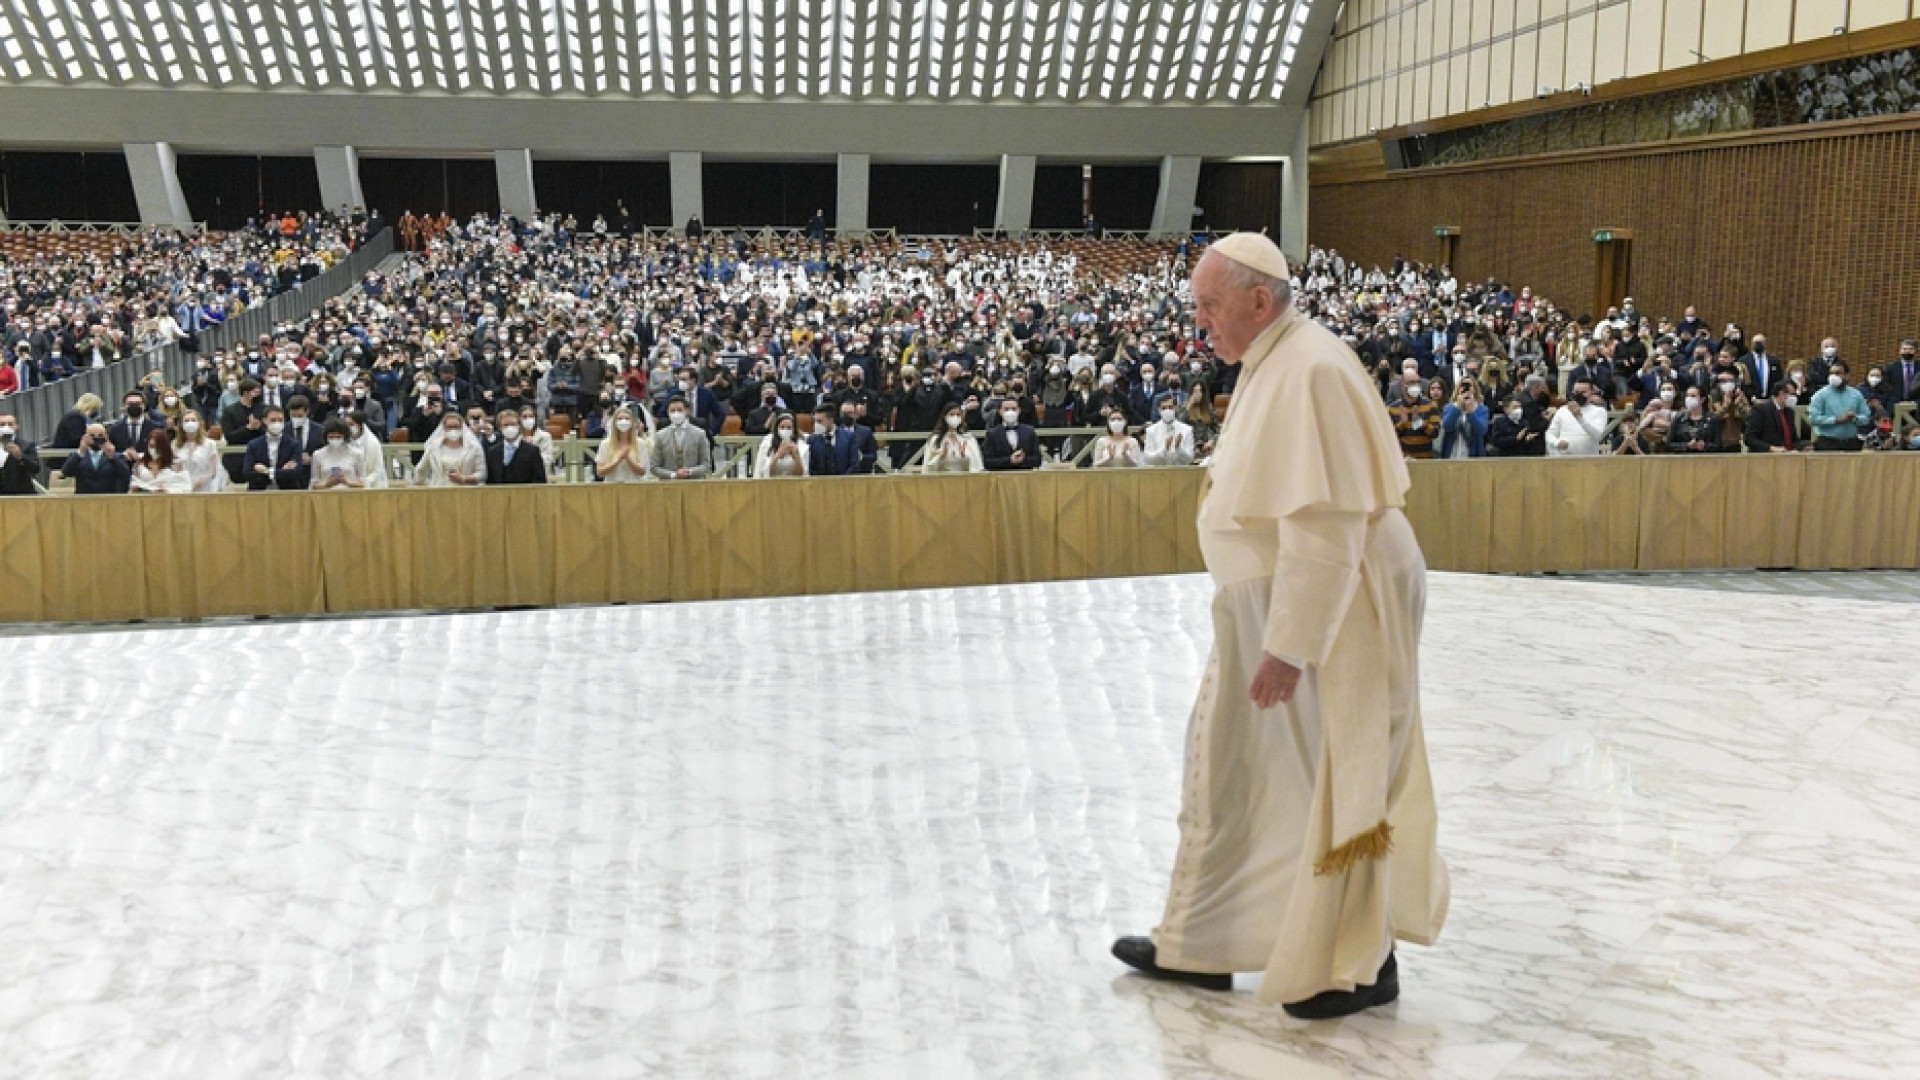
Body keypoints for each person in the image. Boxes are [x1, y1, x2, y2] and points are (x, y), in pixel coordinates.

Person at [1112, 233, 1444, 1016]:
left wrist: (1290, 648)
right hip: (1275, 602)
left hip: (1333, 606)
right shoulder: (1275, 359)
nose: (1201, 324)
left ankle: (1359, 961)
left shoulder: (1314, 368)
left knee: (1341, 773)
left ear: (1259, 302)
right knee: (1240, 772)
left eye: (1210, 306)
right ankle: (1207, 943)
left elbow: (1325, 522)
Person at [1808, 361, 1869, 452]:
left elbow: (1866, 417)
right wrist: (1836, 420)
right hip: (1827, 443)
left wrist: (1855, 418)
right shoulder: (1820, 395)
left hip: (1851, 443)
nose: (1833, 376)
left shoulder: (1856, 394)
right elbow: (1813, 419)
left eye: (1837, 373)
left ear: (1847, 376)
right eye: (1831, 373)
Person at [649, 396, 713, 480]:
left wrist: (689, 472)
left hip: (695, 485)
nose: (676, 413)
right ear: (668, 412)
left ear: (687, 411)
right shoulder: (660, 435)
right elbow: (654, 467)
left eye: (679, 410)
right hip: (668, 487)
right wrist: (672, 475)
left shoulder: (700, 434)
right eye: (672, 410)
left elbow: (706, 465)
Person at [415, 413, 485, 487]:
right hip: (438, 491)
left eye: (456, 427)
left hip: (466, 492)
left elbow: (482, 474)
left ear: (462, 427)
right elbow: (420, 469)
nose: (453, 430)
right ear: (443, 428)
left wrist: (463, 478)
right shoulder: (433, 447)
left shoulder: (474, 447)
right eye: (449, 427)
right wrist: (422, 485)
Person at [60, 424, 132, 495]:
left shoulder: (117, 457)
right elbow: (65, 472)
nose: (96, 439)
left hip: (108, 499)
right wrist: (81, 451)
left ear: (106, 437)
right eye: (92, 436)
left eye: (100, 436)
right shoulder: (78, 456)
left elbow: (125, 475)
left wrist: (112, 457)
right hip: (83, 500)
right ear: (85, 437)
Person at [485, 409, 547, 485]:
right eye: (505, 425)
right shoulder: (493, 452)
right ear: (500, 428)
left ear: (519, 426)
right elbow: (489, 482)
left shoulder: (532, 451)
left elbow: (540, 480)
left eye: (513, 424)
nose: (509, 428)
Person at [1546, 381, 1606, 456]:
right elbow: (1549, 434)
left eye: (1583, 392)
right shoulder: (1562, 410)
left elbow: (1597, 435)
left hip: (1589, 460)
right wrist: (1557, 442)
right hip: (1564, 459)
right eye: (1576, 392)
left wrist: (1579, 417)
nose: (1579, 395)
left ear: (1591, 393)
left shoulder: (1599, 411)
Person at [921, 403, 984, 473]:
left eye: (958, 415)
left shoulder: (969, 439)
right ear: (945, 417)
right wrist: (940, 457)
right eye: (952, 414)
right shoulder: (935, 439)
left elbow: (976, 467)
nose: (955, 417)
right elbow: (927, 469)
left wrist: (964, 457)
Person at [173, 410, 227, 493]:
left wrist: (197, 482)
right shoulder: (175, 444)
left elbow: (213, 471)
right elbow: (175, 469)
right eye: (186, 421)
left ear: (199, 423)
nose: (190, 423)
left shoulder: (210, 444)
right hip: (182, 489)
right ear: (181, 425)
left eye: (193, 420)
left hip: (205, 489)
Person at [595, 406, 653, 482]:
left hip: (634, 487)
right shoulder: (605, 444)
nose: (623, 421)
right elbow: (599, 472)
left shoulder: (640, 443)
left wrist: (628, 458)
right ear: (614, 422)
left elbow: (642, 471)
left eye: (627, 418)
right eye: (620, 419)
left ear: (632, 422)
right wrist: (617, 460)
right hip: (612, 488)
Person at [309, 419, 368, 490]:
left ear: (345, 436)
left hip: (351, 495)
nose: (335, 440)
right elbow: (313, 484)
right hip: (325, 496)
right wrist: (326, 484)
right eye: (331, 437)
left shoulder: (357, 454)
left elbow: (364, 484)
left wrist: (347, 482)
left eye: (338, 437)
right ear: (326, 437)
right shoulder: (317, 454)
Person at [982, 399, 1040, 470]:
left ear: (1019, 410)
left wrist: (1023, 460)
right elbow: (987, 462)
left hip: (1025, 477)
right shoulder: (992, 434)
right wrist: (1009, 460)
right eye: (1006, 409)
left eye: (1014, 409)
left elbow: (1038, 460)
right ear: (1000, 412)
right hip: (1000, 477)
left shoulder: (1029, 431)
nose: (1010, 412)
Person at [1744, 382, 1802, 453]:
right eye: (1791, 394)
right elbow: (1749, 439)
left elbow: (1793, 439)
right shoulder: (1760, 410)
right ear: (1781, 394)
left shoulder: (1790, 413)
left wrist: (1802, 446)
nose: (1793, 397)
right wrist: (1771, 448)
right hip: (1765, 457)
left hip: (1788, 457)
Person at [129, 429, 192, 494]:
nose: (154, 450)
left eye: (157, 447)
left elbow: (186, 487)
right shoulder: (140, 464)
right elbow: (133, 485)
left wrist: (168, 491)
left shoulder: (176, 464)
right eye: (151, 446)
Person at [1438, 380, 1488, 459]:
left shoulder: (1482, 409)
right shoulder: (1449, 407)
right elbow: (1447, 426)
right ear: (1458, 389)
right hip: (1452, 453)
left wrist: (1471, 412)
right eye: (1463, 385)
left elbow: (1481, 430)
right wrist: (1457, 408)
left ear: (1475, 389)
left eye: (1470, 385)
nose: (1466, 389)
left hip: (1474, 454)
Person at [753, 412, 810, 478]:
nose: (785, 430)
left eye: (789, 428)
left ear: (794, 429)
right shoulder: (767, 442)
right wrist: (778, 455)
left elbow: (801, 474)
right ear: (777, 428)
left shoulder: (801, 445)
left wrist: (796, 455)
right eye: (782, 427)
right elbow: (767, 473)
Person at [1142, 400, 1196, 467]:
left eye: (1170, 407)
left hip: (1180, 473)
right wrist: (1164, 449)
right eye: (1164, 408)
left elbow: (1190, 459)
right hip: (1158, 473)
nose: (1167, 410)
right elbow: (1148, 459)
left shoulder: (1187, 430)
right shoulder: (1151, 431)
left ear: (1175, 408)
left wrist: (1178, 448)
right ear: (1159, 410)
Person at [1666, 386, 1718, 453]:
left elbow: (1718, 444)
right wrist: (1686, 445)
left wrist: (1705, 446)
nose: (1689, 398)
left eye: (1693, 396)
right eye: (1687, 396)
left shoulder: (1713, 419)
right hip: (1683, 458)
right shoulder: (1679, 418)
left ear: (1702, 399)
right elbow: (1669, 443)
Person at [0, 414, 42, 495]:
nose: (6, 427)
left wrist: (21, 456)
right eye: (2, 424)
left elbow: (35, 468)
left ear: (16, 426)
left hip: (21, 494)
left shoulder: (26, 445)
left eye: (10, 424)